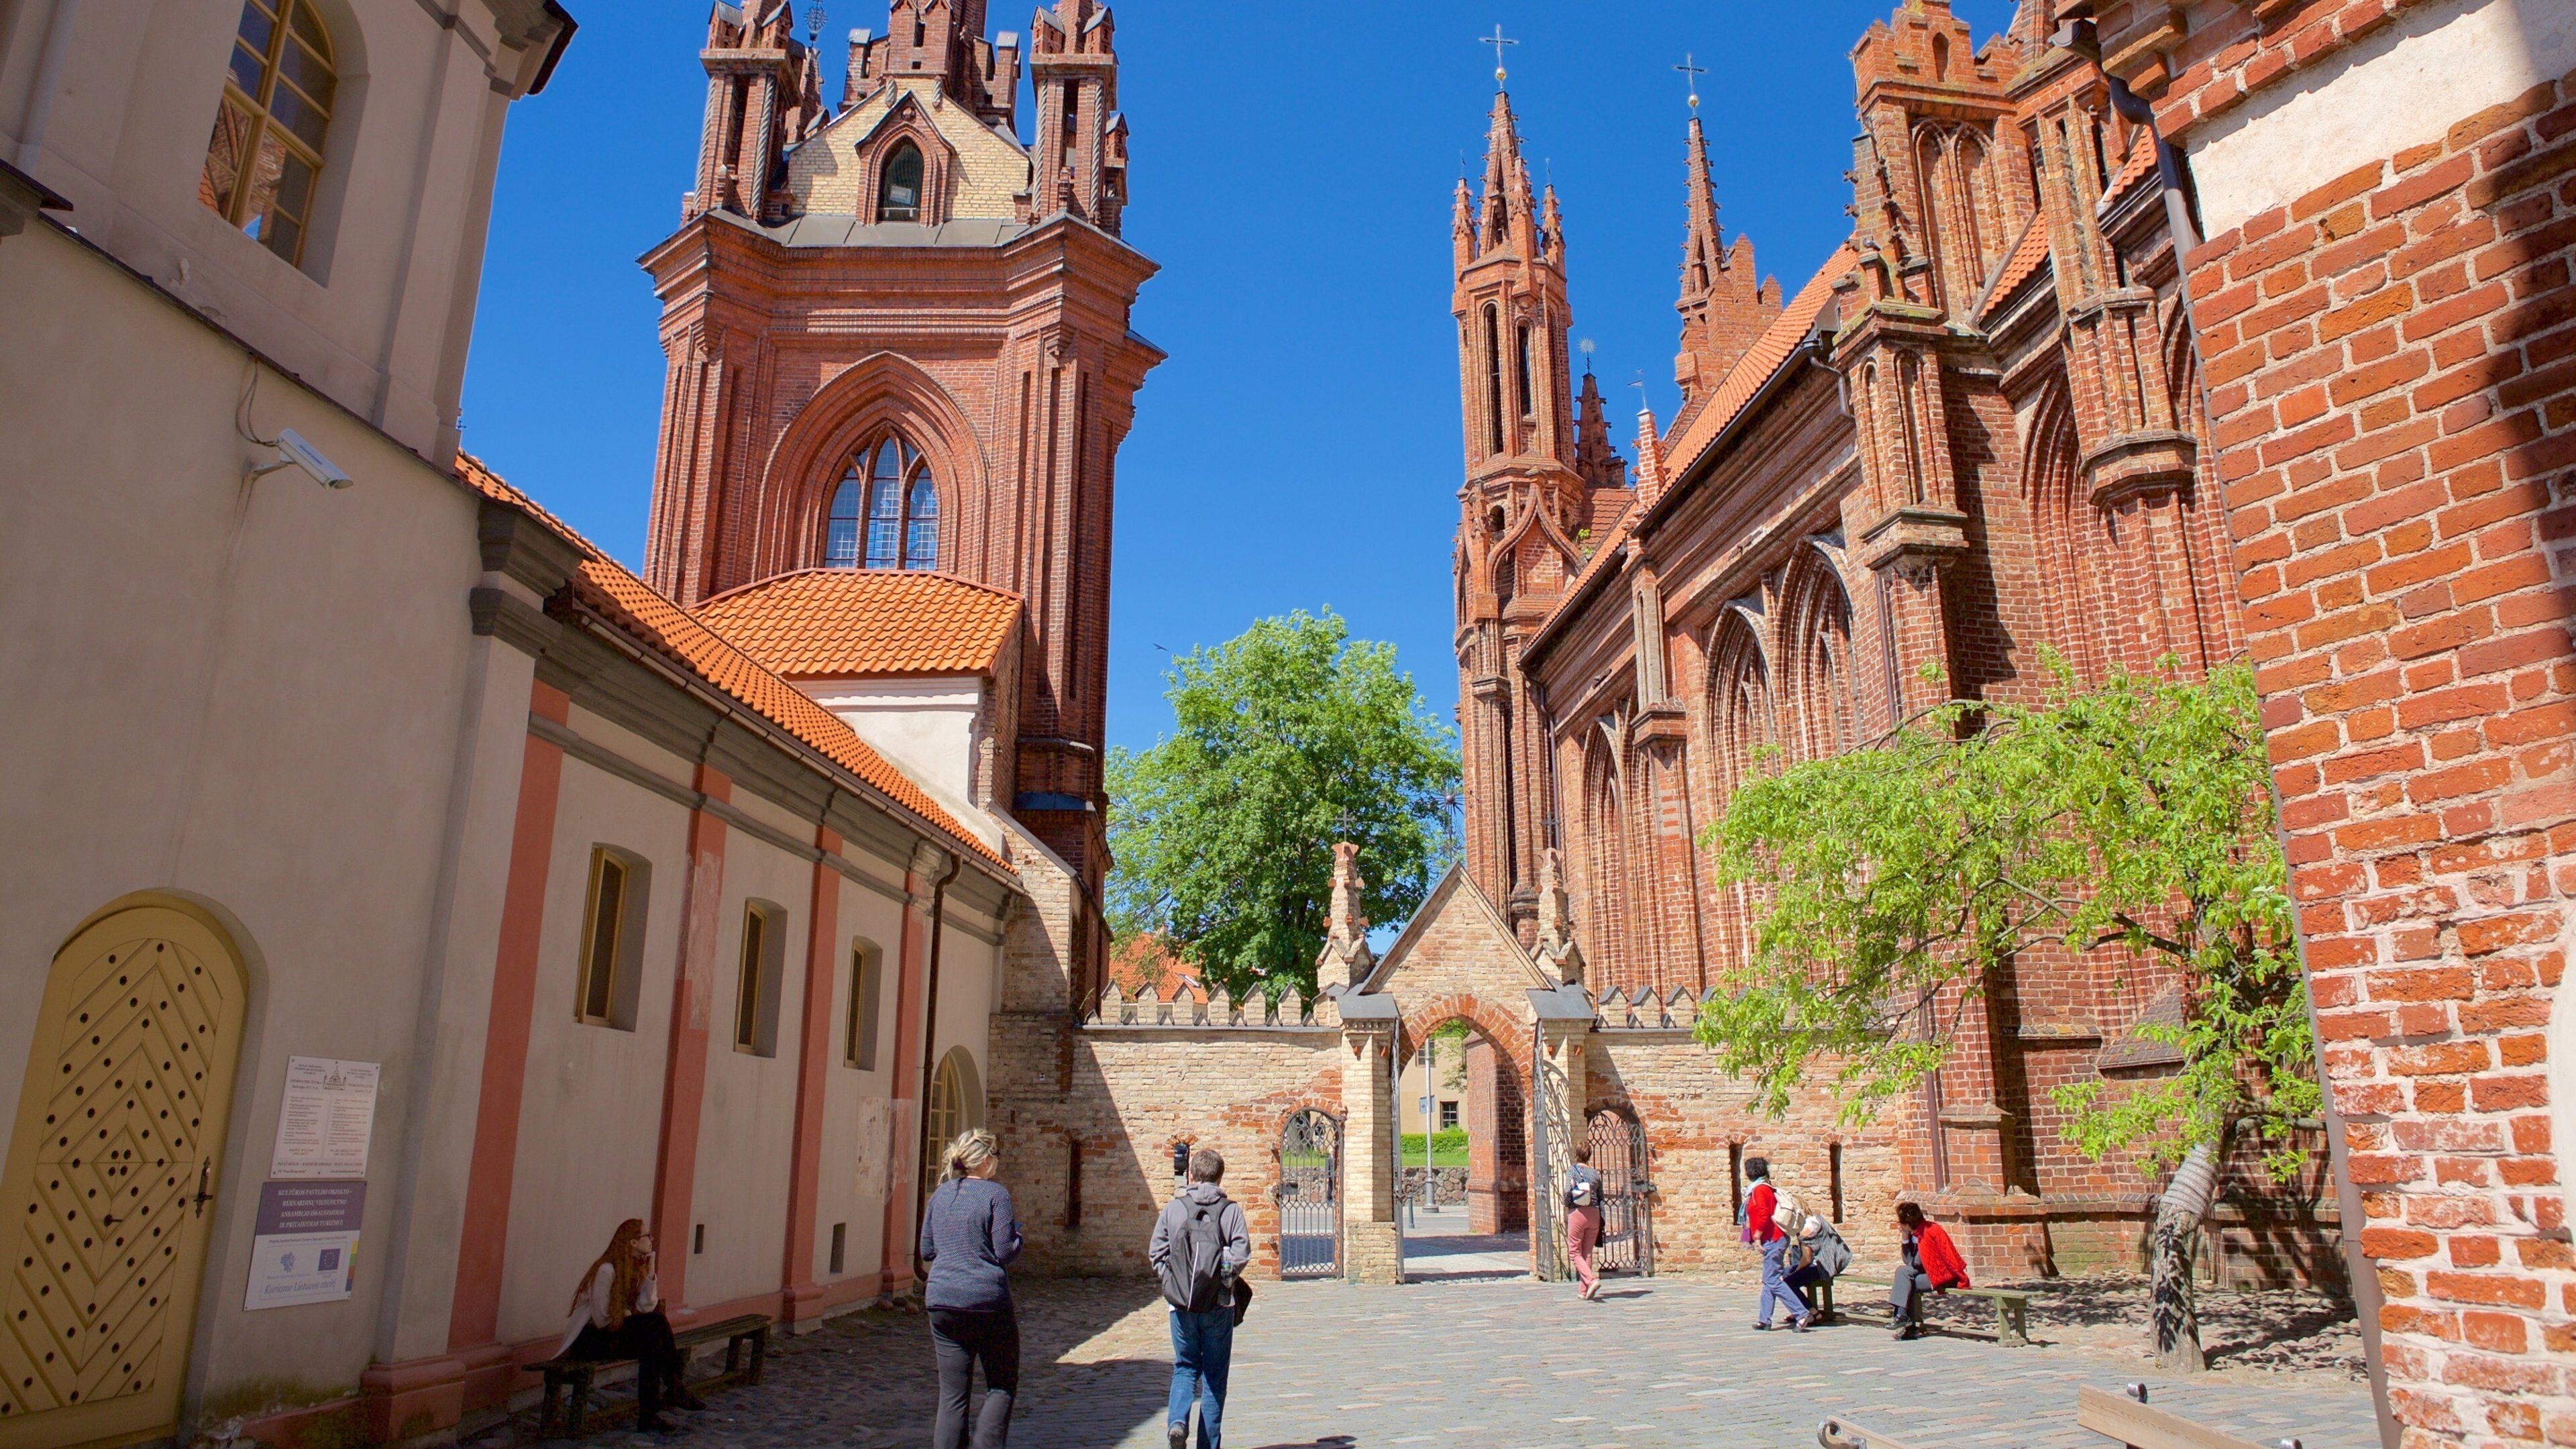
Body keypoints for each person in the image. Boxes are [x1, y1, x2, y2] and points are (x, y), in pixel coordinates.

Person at [920, 1128, 1023, 1449]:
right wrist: (1019, 1238)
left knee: (952, 1396)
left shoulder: (941, 1194)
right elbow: (1004, 1251)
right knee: (1001, 1386)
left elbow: (926, 1250)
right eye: (996, 1154)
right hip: (986, 1302)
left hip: (942, 1301)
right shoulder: (996, 1195)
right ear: (987, 1160)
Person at [557, 1218, 704, 1432]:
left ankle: (649, 1415)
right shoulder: (607, 1270)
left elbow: (646, 1306)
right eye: (647, 1236)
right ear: (633, 1242)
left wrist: (651, 1271)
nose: (651, 1239)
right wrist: (627, 1314)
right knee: (656, 1323)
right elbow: (601, 1319)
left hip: (612, 1334)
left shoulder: (635, 1269)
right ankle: (674, 1389)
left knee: (652, 1343)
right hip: (589, 1340)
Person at [1150, 1147, 1250, 1449]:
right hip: (1219, 1305)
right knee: (1214, 1378)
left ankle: (1177, 1422)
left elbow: (1157, 1252)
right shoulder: (1230, 1211)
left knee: (1185, 1366)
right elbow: (1241, 1253)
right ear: (1220, 1178)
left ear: (1191, 1175)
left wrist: (1172, 1283)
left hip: (1181, 1304)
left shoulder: (1174, 1209)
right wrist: (1223, 1282)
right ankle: (1208, 1445)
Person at [1741, 1157, 1811, 1332]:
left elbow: (1763, 1214)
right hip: (1773, 1239)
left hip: (1773, 1239)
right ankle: (1764, 1319)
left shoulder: (1760, 1190)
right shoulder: (1761, 1188)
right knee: (1769, 1280)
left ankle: (1802, 1313)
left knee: (1772, 1279)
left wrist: (1757, 1236)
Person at [1892, 1201, 1970, 1341]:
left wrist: (1961, 1278)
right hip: (1925, 1273)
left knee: (1905, 1280)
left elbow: (1915, 1263)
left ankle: (1905, 1322)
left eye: (1900, 1222)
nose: (1899, 1225)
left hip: (1942, 1275)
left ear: (1908, 1223)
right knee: (1904, 1274)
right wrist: (1905, 1239)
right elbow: (1908, 1261)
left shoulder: (1928, 1232)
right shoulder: (1915, 1233)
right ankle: (1904, 1319)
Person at [1784, 1213, 1851, 1318]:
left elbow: (1806, 1259)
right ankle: (1799, 1310)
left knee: (1787, 1282)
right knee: (1783, 1273)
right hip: (1833, 1260)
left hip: (1824, 1266)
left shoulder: (1806, 1231)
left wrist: (1796, 1271)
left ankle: (1812, 1312)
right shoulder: (1816, 1218)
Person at [1563, 1142, 1606, 1301]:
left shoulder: (1572, 1170)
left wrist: (1566, 1204)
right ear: (1589, 1155)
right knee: (1587, 1253)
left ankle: (1591, 1280)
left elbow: (1567, 1192)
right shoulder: (1595, 1174)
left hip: (1578, 1212)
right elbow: (1601, 1196)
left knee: (1574, 1252)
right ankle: (1583, 1291)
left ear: (1576, 1154)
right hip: (1594, 1214)